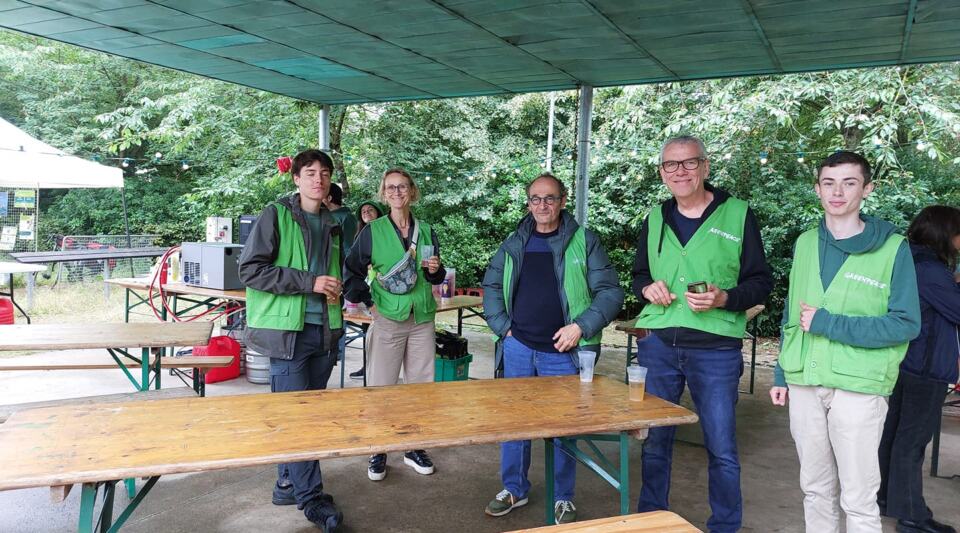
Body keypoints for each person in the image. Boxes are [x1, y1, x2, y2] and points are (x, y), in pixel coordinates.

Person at [769, 151, 920, 533]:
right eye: (829, 182)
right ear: (818, 188)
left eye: (849, 183)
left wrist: (829, 323)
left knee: (858, 498)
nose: (838, 192)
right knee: (815, 489)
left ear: (867, 189)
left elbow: (905, 325)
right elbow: (791, 315)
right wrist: (781, 373)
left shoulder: (893, 248)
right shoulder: (805, 242)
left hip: (859, 386)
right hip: (805, 380)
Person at [632, 135, 773, 533]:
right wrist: (646, 288)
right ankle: (650, 519)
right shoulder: (655, 218)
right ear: (662, 172)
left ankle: (725, 526)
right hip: (659, 345)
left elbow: (762, 282)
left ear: (706, 167)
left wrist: (725, 297)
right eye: (671, 165)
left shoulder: (738, 215)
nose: (680, 171)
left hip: (716, 350)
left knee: (722, 447)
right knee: (656, 442)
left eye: (689, 163)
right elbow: (639, 274)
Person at [481, 172, 624, 525]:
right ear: (528, 203)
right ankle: (514, 488)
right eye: (535, 199)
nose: (542, 205)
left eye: (549, 198)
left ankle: (563, 498)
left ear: (562, 202)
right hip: (518, 347)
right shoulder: (515, 241)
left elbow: (611, 292)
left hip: (563, 351)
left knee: (563, 428)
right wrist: (503, 328)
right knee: (515, 424)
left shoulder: (584, 241)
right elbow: (491, 285)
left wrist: (581, 327)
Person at [238, 149, 345, 532]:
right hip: (288, 335)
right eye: (310, 172)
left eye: (325, 173)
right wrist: (308, 282)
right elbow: (250, 271)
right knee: (300, 420)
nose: (319, 179)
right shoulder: (276, 215)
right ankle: (312, 500)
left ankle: (287, 481)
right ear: (296, 179)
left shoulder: (333, 223)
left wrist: (336, 294)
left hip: (323, 331)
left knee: (305, 415)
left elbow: (331, 273)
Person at [343, 168, 445, 481]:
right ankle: (379, 447)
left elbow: (436, 277)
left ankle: (413, 446)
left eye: (402, 187)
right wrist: (371, 305)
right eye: (390, 188)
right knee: (381, 385)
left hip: (422, 317)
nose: (397, 192)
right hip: (387, 316)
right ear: (383, 193)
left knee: (420, 388)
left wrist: (435, 270)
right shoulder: (372, 230)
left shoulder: (426, 230)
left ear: (412, 192)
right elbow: (351, 272)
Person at [877, 205, 960, 533]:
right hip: (925, 368)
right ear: (943, 233)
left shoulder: (912, 260)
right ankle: (912, 517)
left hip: (907, 362)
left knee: (896, 436)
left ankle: (886, 498)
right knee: (912, 441)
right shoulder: (929, 270)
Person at [348, 200, 385, 380]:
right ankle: (367, 365)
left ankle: (379, 367)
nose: (367, 213)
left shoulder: (386, 234)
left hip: (384, 289)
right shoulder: (360, 236)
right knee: (366, 328)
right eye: (363, 211)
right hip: (366, 288)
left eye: (371, 210)